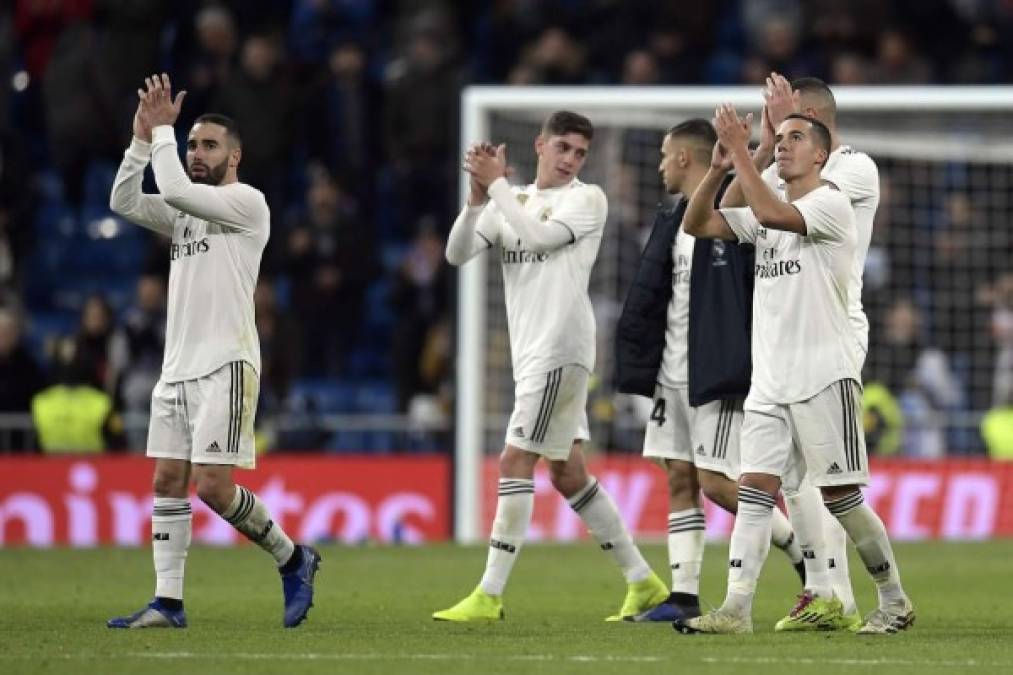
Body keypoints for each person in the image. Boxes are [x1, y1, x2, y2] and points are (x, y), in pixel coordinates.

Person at [674, 106, 913, 635]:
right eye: (777, 138)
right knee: (756, 489)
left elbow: (777, 216)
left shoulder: (830, 202)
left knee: (841, 499)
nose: (781, 144)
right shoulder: (769, 206)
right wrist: (720, 167)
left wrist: (742, 154)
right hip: (770, 380)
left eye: (794, 137)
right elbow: (698, 223)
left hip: (824, 376)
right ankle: (736, 608)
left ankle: (894, 601)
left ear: (821, 155)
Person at [433, 111, 667, 622]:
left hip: (561, 348)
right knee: (566, 471)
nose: (570, 160)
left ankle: (489, 594)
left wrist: (496, 187)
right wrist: (477, 200)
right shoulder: (511, 200)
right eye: (562, 147)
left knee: (515, 461)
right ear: (539, 145)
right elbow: (456, 253)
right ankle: (643, 581)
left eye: (580, 152)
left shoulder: (588, 199)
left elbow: (538, 240)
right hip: (532, 352)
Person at [106, 74, 319, 629]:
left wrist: (164, 134)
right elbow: (123, 199)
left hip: (226, 363)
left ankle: (294, 558)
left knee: (214, 488)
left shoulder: (247, 203)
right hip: (176, 369)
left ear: (235, 157)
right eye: (193, 144)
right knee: (167, 482)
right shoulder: (184, 215)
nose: (197, 153)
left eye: (209, 145)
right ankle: (168, 603)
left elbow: (174, 187)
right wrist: (138, 140)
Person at [614, 119, 804, 623]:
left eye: (663, 154)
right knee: (678, 477)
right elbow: (655, 298)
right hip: (669, 373)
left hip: (713, 370)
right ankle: (683, 595)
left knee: (718, 483)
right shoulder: (671, 216)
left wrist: (756, 145)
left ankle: (803, 552)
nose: (658, 165)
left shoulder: (731, 211)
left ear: (682, 158)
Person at [722, 74, 881, 631]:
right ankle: (822, 591)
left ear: (812, 118)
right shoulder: (786, 164)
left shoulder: (853, 168)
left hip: (831, 325)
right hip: (784, 327)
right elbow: (744, 203)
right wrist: (759, 149)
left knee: (822, 477)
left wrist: (762, 149)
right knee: (785, 474)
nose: (782, 141)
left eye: (790, 127)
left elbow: (786, 199)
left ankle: (844, 593)